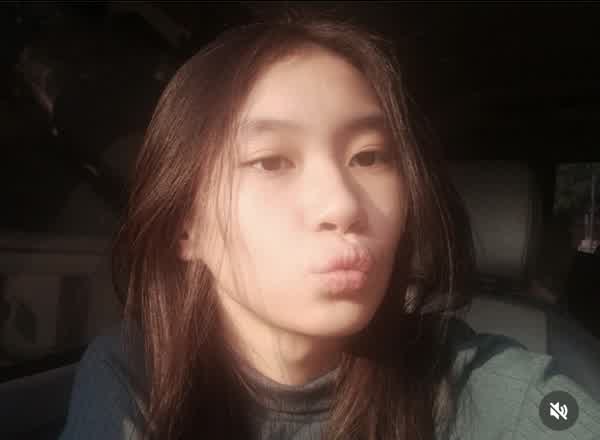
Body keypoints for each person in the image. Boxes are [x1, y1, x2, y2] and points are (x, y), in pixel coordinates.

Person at [59, 10, 600, 440]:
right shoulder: (135, 378)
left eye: (369, 157)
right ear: (186, 228)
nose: (342, 204)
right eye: (272, 161)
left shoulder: (497, 392)